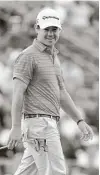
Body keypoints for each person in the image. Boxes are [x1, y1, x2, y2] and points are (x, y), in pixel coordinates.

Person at [7, 7, 94, 175]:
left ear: (59, 30)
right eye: (46, 29)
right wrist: (15, 127)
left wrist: (80, 121)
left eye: (54, 29)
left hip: (44, 124)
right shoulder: (28, 56)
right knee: (56, 172)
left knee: (27, 172)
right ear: (37, 29)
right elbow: (17, 94)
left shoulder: (53, 57)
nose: (50, 34)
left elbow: (62, 93)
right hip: (39, 125)